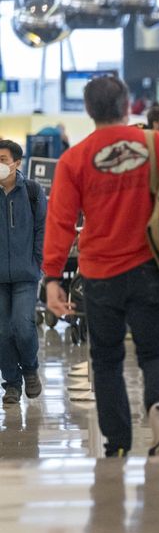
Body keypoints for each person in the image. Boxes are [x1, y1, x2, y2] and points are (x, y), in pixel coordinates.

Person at [43, 75, 159, 457]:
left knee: (107, 359)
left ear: (88, 109)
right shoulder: (155, 144)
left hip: (99, 274)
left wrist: (51, 277)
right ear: (128, 105)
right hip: (150, 269)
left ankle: (117, 443)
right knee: (156, 354)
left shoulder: (74, 158)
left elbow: (60, 221)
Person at [0, 140, 47, 405]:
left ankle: (30, 369)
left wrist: (37, 262)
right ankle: (11, 384)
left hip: (26, 274)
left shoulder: (32, 190)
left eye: (4, 159)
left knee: (23, 327)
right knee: (2, 332)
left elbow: (43, 229)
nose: (0, 164)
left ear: (17, 163)